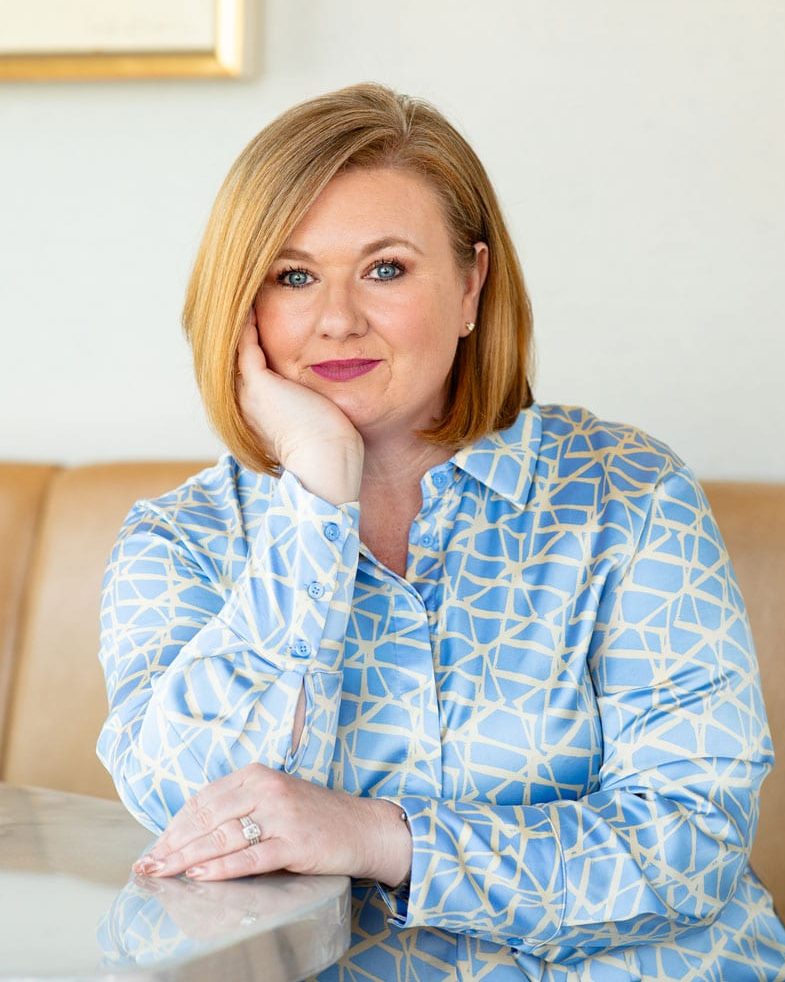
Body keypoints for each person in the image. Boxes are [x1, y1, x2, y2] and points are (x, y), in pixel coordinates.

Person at [97, 82, 785, 980]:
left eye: (384, 269)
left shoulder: (627, 492)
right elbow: (187, 813)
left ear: (470, 284)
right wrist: (316, 490)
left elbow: (690, 840)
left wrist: (383, 838)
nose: (337, 318)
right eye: (292, 276)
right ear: (242, 308)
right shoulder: (182, 540)